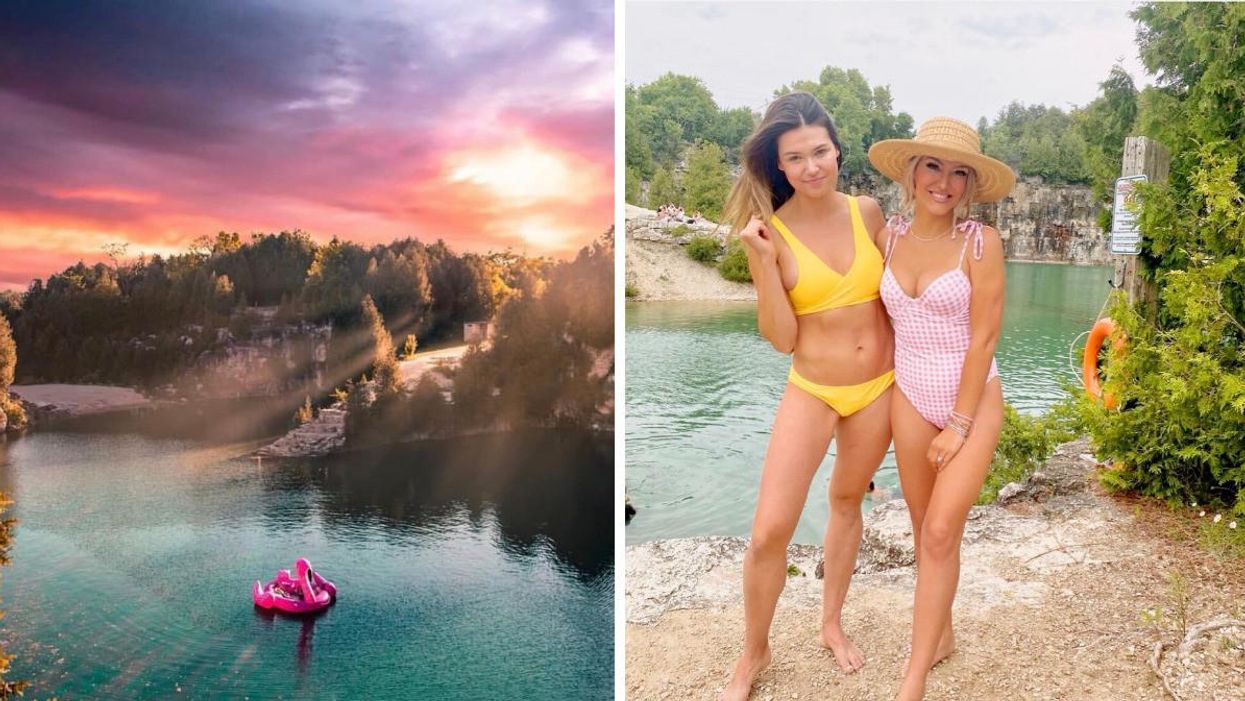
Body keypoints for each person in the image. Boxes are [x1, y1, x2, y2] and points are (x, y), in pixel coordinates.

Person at [717, 91, 894, 701]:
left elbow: (903, 300)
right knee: (770, 531)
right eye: (796, 158)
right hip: (813, 388)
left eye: (820, 150)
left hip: (879, 389)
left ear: (837, 150)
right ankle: (754, 651)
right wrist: (763, 264)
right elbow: (781, 338)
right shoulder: (772, 232)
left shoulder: (868, 213)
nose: (812, 166)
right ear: (780, 166)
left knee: (847, 502)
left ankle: (830, 624)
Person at [868, 117, 1015, 700]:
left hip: (971, 400)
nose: (944, 182)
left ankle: (914, 676)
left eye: (959, 173)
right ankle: (943, 634)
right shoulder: (890, 237)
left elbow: (984, 340)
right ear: (911, 171)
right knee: (919, 527)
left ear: (971, 186)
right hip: (909, 394)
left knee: (939, 532)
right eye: (932, 165)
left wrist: (959, 424)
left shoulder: (982, 243)